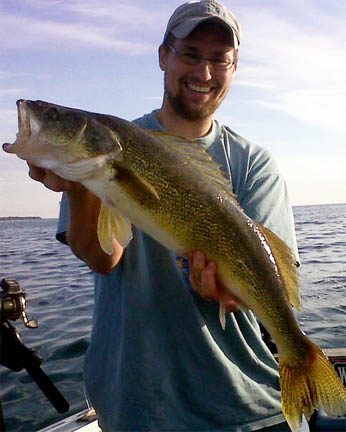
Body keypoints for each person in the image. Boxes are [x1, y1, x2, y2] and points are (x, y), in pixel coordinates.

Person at [28, 1, 309, 430]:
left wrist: (226, 289)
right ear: (164, 56)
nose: (204, 72)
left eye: (220, 59)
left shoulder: (253, 163)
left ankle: (303, 362)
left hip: (243, 405)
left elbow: (266, 278)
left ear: (234, 69)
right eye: (191, 54)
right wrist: (80, 185)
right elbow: (104, 257)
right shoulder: (112, 144)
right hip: (137, 405)